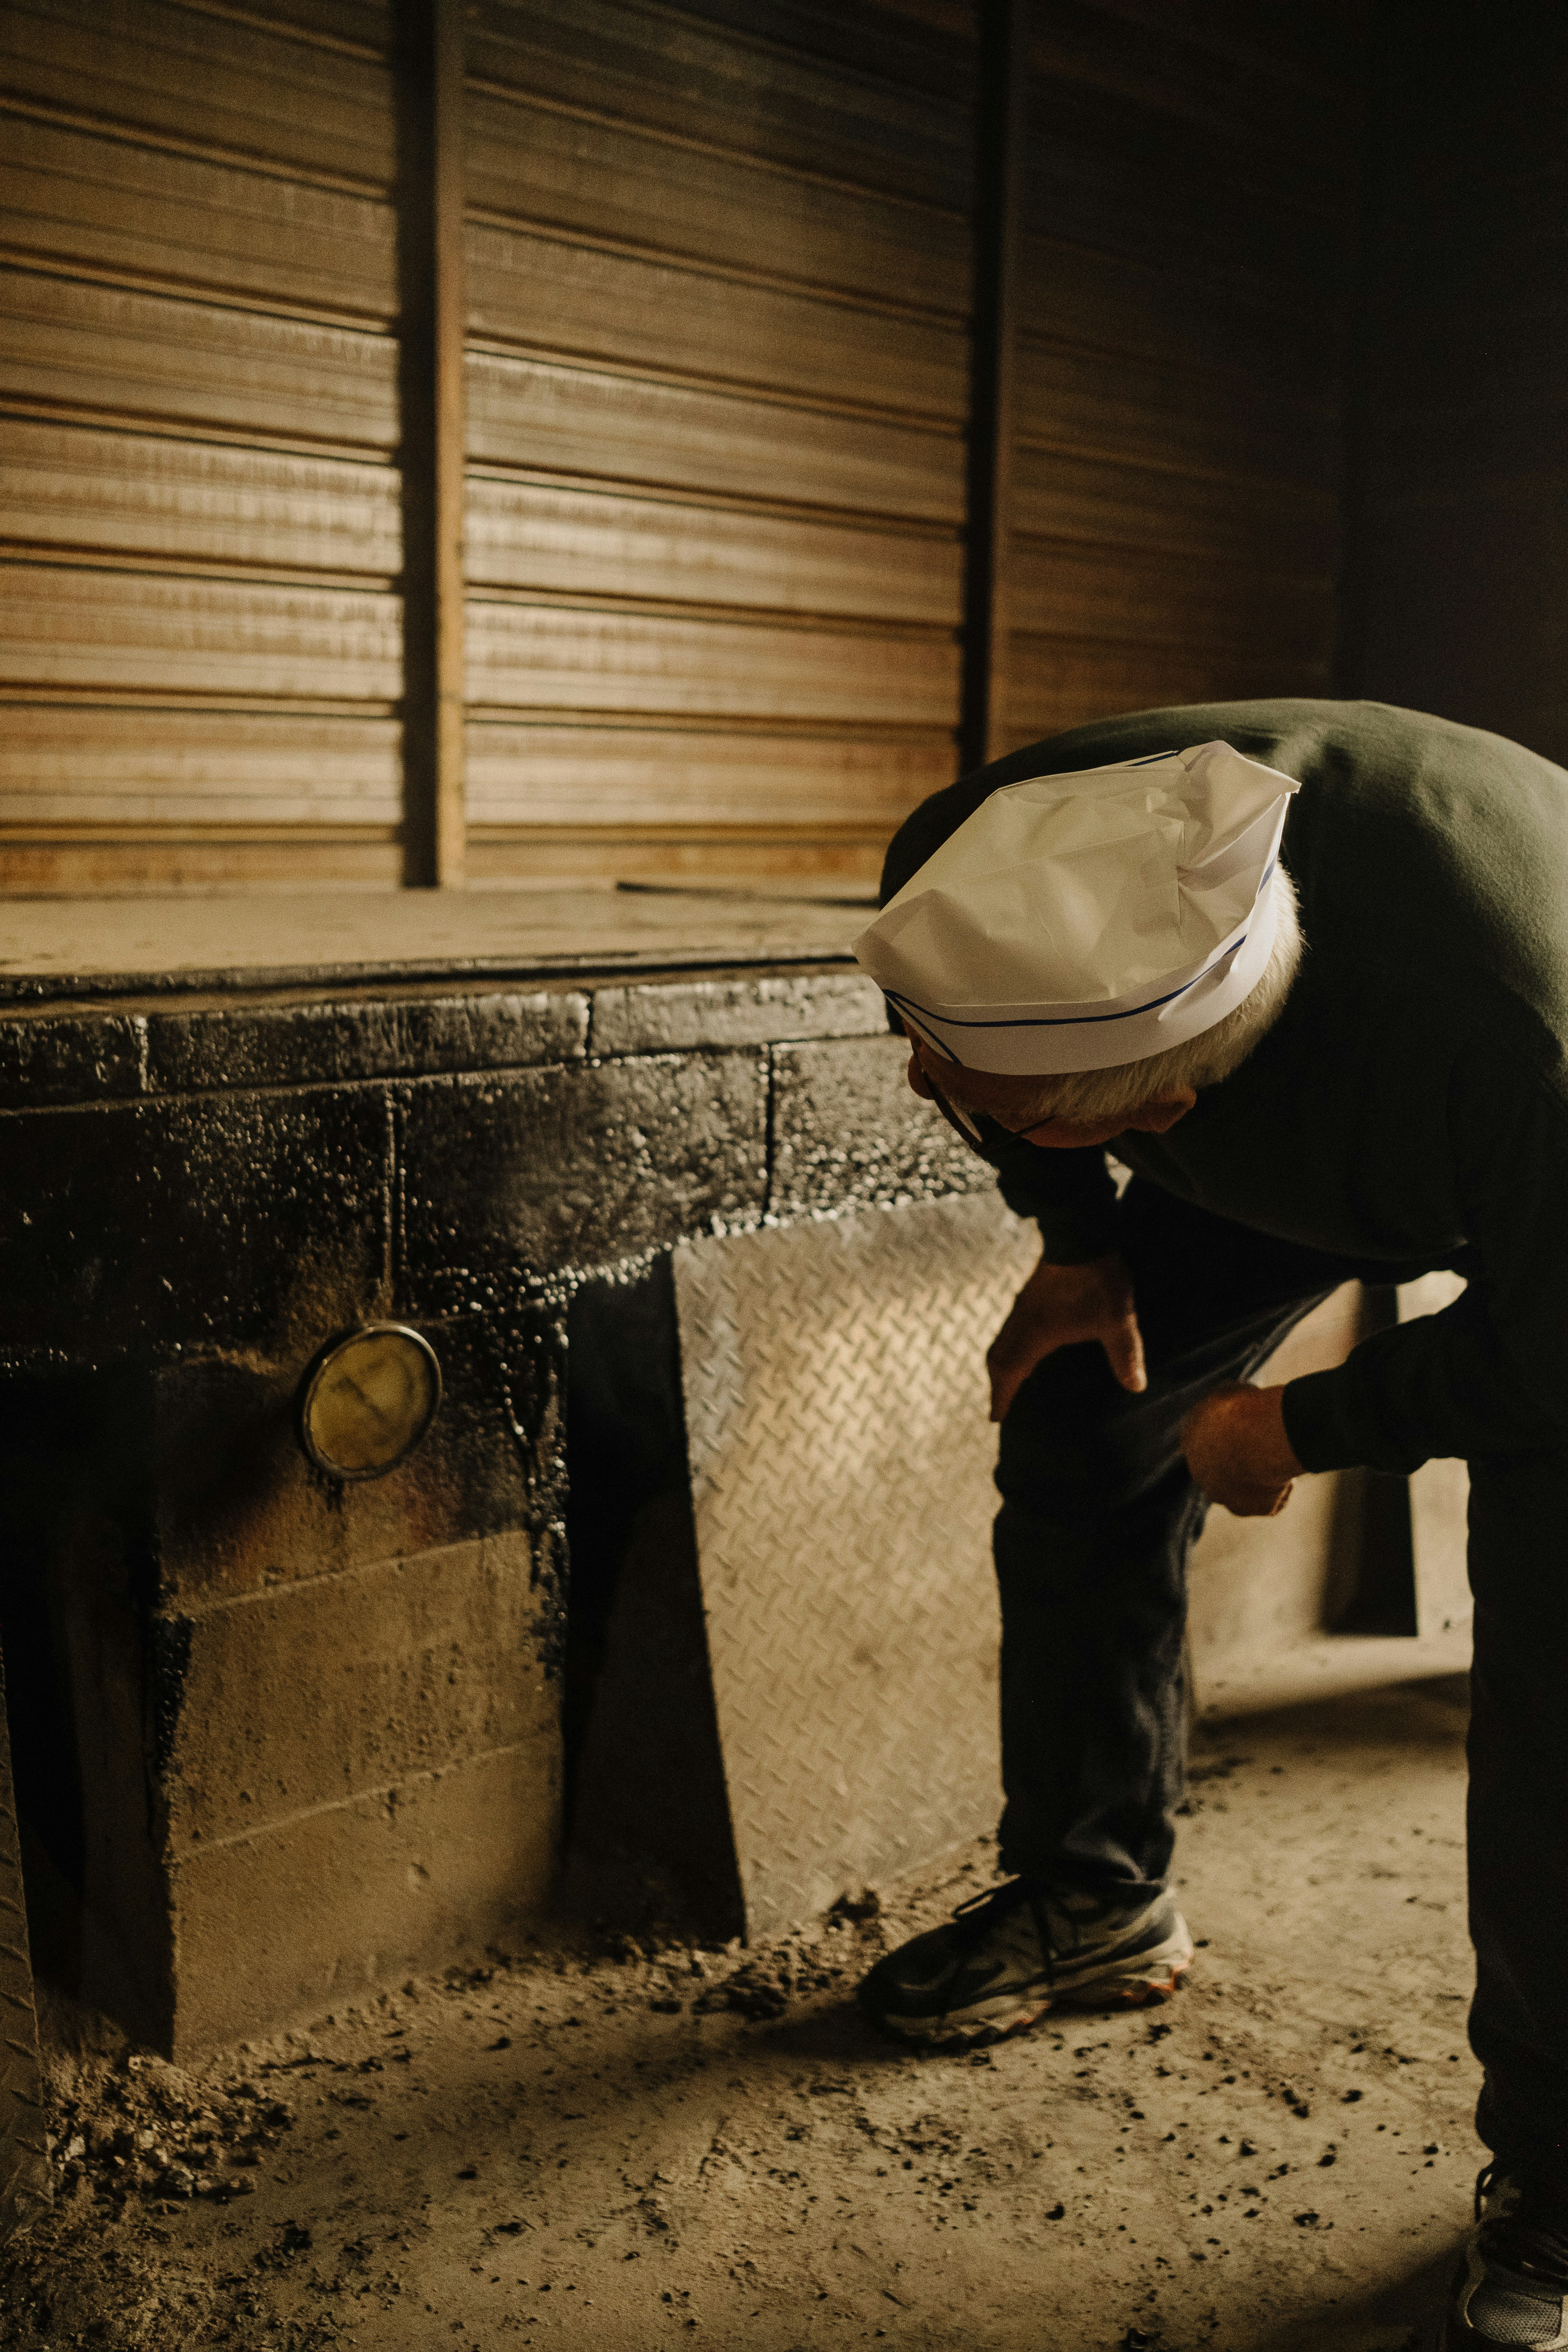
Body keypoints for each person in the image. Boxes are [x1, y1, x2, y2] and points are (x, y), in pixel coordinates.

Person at [849, 700, 1568, 2351]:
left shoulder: (1523, 1042)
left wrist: (1301, 1425)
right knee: (1086, 1412)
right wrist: (1075, 1245)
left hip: (1530, 1189)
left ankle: (1560, 2181)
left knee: (1555, 1672)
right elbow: (979, 1072)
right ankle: (1094, 1895)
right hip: (1309, 1110)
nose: (916, 1077)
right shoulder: (964, 872)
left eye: (972, 1088)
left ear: (1160, 1113)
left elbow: (1552, 1349)